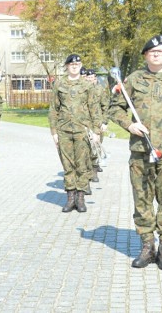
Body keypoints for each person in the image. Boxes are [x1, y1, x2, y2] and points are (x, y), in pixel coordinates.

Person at [110, 35, 162, 270]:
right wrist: (129, 125)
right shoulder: (134, 80)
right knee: (142, 200)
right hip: (140, 151)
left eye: (161, 51)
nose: (156, 54)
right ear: (146, 55)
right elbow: (114, 108)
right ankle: (148, 247)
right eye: (152, 51)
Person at [49, 54, 101, 213]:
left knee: (82, 164)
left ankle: (80, 198)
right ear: (66, 66)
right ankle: (70, 198)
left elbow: (94, 109)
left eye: (77, 64)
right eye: (71, 64)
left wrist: (96, 131)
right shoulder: (59, 84)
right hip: (63, 130)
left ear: (80, 65)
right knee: (67, 164)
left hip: (82, 130)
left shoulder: (87, 85)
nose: (74, 66)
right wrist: (54, 132)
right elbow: (53, 109)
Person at [86, 68, 109, 181]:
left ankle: (94, 170)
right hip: (86, 122)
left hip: (98, 122)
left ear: (95, 78)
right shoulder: (83, 89)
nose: (89, 79)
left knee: (96, 146)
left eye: (91, 77)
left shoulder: (100, 90)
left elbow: (105, 107)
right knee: (86, 148)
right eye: (88, 77)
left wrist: (105, 122)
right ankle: (87, 171)